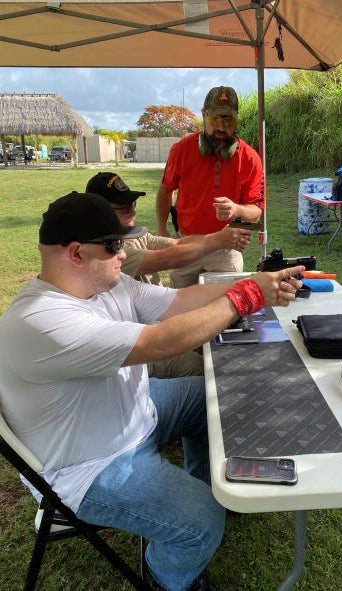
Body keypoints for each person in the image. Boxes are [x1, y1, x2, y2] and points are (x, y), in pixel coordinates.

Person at [0, 192, 303, 591]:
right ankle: (165, 578)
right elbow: (161, 342)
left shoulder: (106, 282)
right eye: (113, 246)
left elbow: (177, 301)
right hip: (89, 465)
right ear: (75, 253)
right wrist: (246, 297)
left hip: (132, 416)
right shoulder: (41, 320)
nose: (124, 253)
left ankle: (204, 482)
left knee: (209, 396)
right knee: (202, 522)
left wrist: (252, 282)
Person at [85, 171, 253, 379]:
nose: (130, 211)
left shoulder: (131, 236)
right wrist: (220, 240)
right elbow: (166, 259)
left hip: (154, 328)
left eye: (132, 205)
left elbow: (178, 244)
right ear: (98, 212)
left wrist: (223, 237)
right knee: (209, 371)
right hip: (142, 350)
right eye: (122, 208)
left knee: (211, 343)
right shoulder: (107, 251)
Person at [156, 86, 264, 288]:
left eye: (228, 120)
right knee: (181, 306)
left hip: (226, 250)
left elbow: (256, 212)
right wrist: (162, 229)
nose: (222, 127)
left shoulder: (250, 158)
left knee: (223, 309)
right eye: (215, 120)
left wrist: (237, 209)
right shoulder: (181, 150)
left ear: (236, 119)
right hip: (186, 243)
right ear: (204, 114)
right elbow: (165, 189)